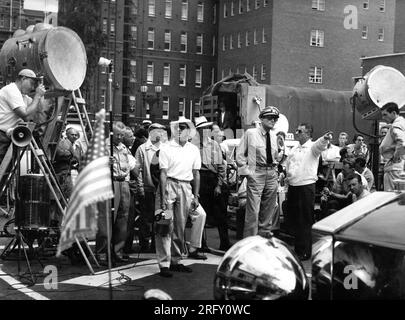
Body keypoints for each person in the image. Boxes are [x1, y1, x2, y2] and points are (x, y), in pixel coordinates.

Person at [156, 117, 201, 277]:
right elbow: (162, 173)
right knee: (165, 224)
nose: (181, 131)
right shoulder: (166, 147)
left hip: (185, 187)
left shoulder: (193, 149)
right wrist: (162, 197)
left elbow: (196, 174)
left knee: (180, 226)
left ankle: (175, 260)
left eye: (184, 128)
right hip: (168, 185)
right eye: (178, 128)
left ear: (190, 132)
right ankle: (164, 264)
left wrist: (195, 196)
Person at [285, 123, 332, 260]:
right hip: (293, 186)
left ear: (308, 134)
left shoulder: (312, 148)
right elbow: (289, 164)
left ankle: (305, 251)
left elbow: (320, 145)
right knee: (295, 218)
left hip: (306, 187)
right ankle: (299, 248)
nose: (296, 132)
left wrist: (324, 138)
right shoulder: (294, 148)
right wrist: (287, 176)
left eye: (299, 131)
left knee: (305, 219)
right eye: (296, 130)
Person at [236, 106, 282, 238]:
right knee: (253, 211)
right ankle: (250, 240)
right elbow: (240, 155)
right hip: (257, 172)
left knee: (269, 209)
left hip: (271, 173)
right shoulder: (251, 133)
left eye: (275, 119)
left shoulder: (274, 136)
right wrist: (248, 172)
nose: (272, 120)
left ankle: (264, 238)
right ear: (261, 119)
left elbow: (276, 155)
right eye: (269, 118)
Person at [96, 121, 136, 264]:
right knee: (105, 219)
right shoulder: (102, 146)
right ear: (110, 133)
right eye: (117, 134)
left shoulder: (124, 148)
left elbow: (132, 164)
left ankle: (117, 251)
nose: (119, 137)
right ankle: (102, 253)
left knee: (122, 218)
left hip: (123, 183)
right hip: (108, 182)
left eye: (122, 135)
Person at [195, 116, 230, 251]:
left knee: (221, 213)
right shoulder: (193, 145)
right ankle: (201, 244)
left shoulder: (214, 144)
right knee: (201, 214)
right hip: (200, 178)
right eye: (202, 128)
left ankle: (225, 243)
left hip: (213, 178)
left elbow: (221, 165)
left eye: (207, 128)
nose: (206, 130)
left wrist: (219, 184)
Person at [132, 123, 167, 253]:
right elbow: (138, 169)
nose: (162, 134)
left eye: (163, 132)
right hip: (148, 188)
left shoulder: (167, 148)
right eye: (159, 132)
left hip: (164, 189)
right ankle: (145, 243)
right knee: (146, 218)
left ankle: (161, 243)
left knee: (163, 216)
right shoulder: (142, 149)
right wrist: (140, 186)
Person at [0, 69, 46, 163]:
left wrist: (41, 94)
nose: (32, 87)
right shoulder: (11, 90)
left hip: (8, 136)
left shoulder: (22, 96)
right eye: (32, 83)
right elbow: (25, 115)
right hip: (1, 135)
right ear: (23, 78)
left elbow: (39, 110)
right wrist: (37, 96)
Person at [379, 102, 405, 191]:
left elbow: (402, 142)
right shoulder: (401, 123)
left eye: (385, 115)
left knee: (390, 196)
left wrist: (395, 157)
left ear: (394, 113)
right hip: (399, 166)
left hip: (394, 167)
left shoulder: (396, 125)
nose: (383, 118)